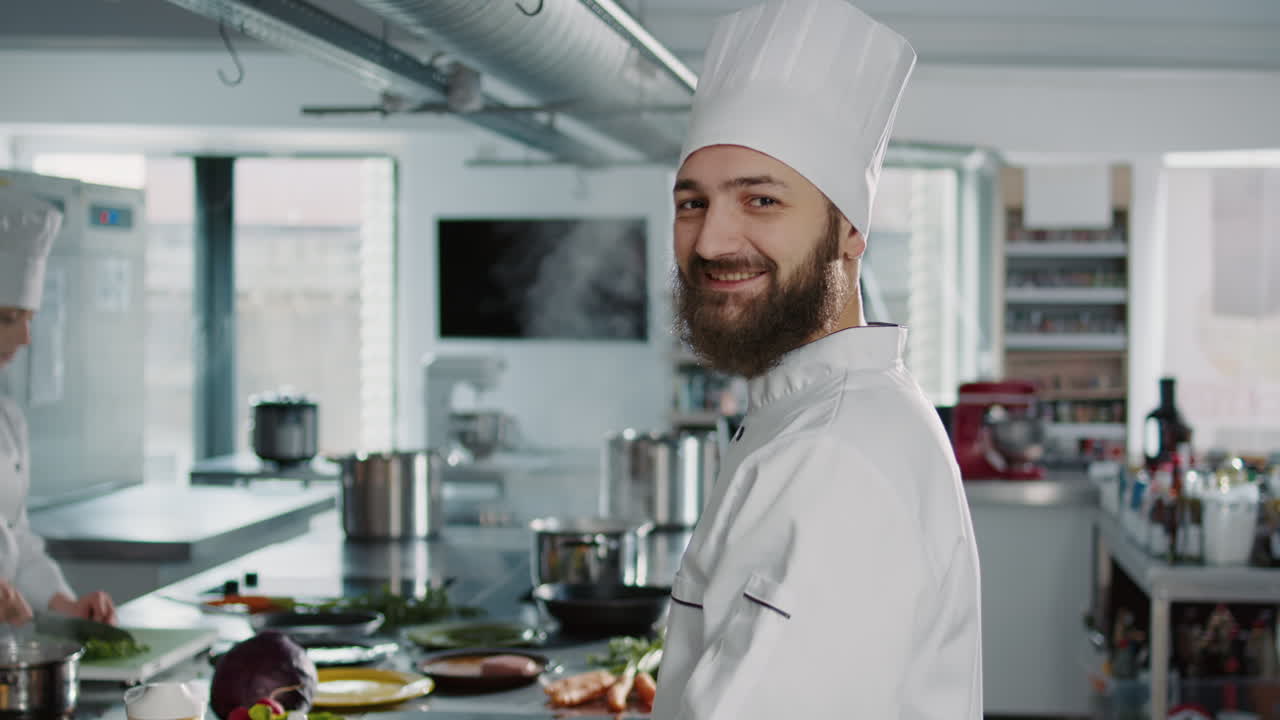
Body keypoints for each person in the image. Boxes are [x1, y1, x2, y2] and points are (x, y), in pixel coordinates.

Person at [652, 0, 982, 717]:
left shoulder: (837, 458)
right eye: (692, 203)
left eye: (762, 200)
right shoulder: (812, 414)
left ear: (850, 235)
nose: (711, 241)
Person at [0, 187, 117, 625]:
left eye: (28, 318)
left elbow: (18, 542)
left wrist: (66, 604)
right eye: (8, 319)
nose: (25, 338)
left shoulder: (8, 420)